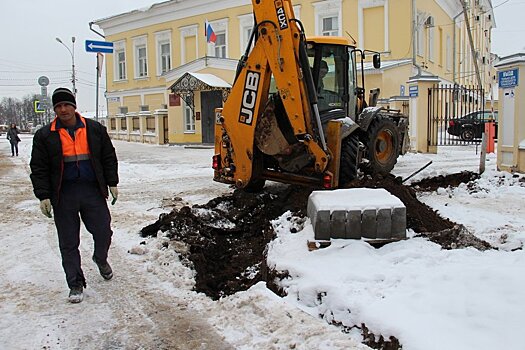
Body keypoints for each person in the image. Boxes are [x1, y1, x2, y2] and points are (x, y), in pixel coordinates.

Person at [30, 87, 119, 303]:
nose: (63, 109)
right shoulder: (44, 135)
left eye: (66, 105)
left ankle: (100, 258)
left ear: (74, 106)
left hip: (92, 191)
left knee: (103, 232)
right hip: (63, 194)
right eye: (58, 106)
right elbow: (38, 168)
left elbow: (108, 156)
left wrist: (112, 183)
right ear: (55, 109)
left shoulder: (94, 129)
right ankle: (75, 283)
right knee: (68, 242)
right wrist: (43, 196)